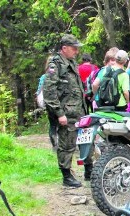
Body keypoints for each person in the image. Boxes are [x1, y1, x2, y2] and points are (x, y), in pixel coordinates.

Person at [42, 34, 90, 188]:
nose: (76, 51)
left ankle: (89, 169)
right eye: (73, 48)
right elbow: (49, 91)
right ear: (64, 48)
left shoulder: (72, 63)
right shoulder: (55, 64)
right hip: (67, 113)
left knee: (86, 140)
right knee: (67, 144)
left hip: (79, 110)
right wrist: (59, 113)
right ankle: (67, 175)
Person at [36, 56, 59, 150]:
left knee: (52, 124)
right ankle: (60, 144)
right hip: (58, 101)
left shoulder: (43, 77)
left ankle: (54, 145)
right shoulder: (58, 75)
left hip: (47, 102)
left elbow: (38, 91)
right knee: (60, 123)